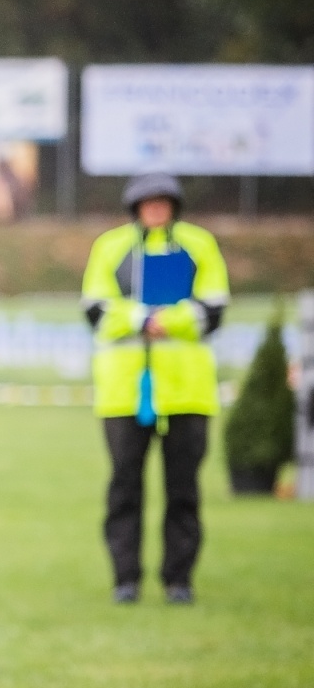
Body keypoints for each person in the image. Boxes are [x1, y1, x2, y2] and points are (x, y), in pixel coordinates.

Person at [81, 173, 230, 605]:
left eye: (163, 202)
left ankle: (178, 580)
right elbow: (95, 310)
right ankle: (125, 578)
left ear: (175, 206)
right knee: (124, 488)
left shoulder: (199, 244)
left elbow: (215, 308)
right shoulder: (110, 247)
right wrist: (144, 320)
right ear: (134, 207)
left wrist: (170, 321)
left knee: (183, 490)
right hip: (124, 393)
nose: (156, 209)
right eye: (148, 203)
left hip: (187, 391)